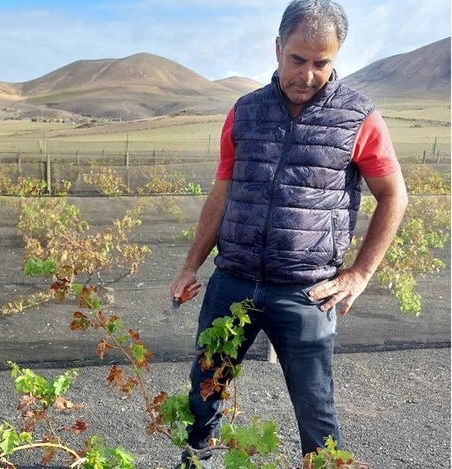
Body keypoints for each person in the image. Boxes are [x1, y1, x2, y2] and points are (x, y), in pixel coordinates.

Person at [170, 0, 408, 467]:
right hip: (232, 282)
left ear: (337, 58)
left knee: (316, 411)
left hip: (306, 292)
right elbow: (219, 196)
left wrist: (360, 272)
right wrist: (188, 266)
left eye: (323, 63)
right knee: (206, 389)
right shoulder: (244, 112)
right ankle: (199, 461)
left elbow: (394, 196)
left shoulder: (359, 117)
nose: (308, 74)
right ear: (278, 49)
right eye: (297, 59)